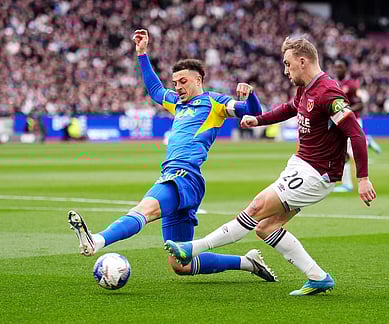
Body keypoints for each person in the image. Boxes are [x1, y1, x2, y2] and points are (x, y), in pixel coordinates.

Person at [165, 36, 377, 296]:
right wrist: (259, 120)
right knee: (266, 228)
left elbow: (356, 133)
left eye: (288, 65)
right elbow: (290, 108)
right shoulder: (306, 88)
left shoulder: (328, 92)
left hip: (316, 174)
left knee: (256, 207)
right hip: (301, 165)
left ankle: (193, 248)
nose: (286, 71)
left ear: (303, 61)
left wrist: (363, 178)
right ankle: (318, 277)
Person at [68, 29, 277, 282]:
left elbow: (252, 113)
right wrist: (142, 53)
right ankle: (248, 262)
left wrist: (251, 95)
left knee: (145, 209)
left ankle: (97, 240)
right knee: (181, 264)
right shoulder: (177, 103)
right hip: (181, 179)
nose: (177, 87)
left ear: (199, 79)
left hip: (183, 175)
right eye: (175, 83)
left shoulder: (215, 102)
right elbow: (156, 90)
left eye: (183, 82)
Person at [332, 58, 381, 192]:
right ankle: (367, 141)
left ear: (345, 69)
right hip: (340, 121)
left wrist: (347, 109)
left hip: (352, 120)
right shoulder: (334, 83)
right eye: (335, 67)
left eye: (340, 67)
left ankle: (347, 184)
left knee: (345, 153)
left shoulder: (352, 85)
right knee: (346, 152)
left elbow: (360, 103)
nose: (337, 69)